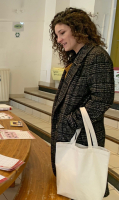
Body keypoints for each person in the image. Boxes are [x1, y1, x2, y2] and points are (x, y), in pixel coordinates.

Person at [50, 7, 114, 197]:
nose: (59, 39)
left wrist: (70, 121)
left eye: (62, 33)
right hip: (72, 134)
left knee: (82, 187)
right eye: (57, 35)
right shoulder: (78, 56)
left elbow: (102, 99)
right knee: (72, 186)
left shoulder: (96, 56)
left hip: (82, 136)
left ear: (78, 29)